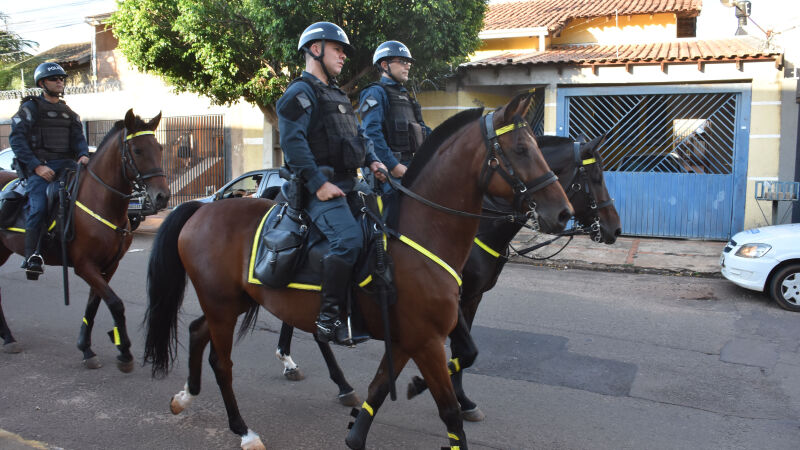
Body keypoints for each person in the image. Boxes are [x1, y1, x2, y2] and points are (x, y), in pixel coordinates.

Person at [276, 22, 387, 344]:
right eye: (337, 49)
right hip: (318, 190)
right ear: (315, 49)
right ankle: (328, 319)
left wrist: (372, 161)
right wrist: (317, 184)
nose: (342, 56)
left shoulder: (336, 94)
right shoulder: (300, 92)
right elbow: (293, 144)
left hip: (349, 186)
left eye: (342, 51)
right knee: (349, 241)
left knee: (382, 234)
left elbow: (355, 138)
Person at [9, 62, 90, 277]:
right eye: (55, 79)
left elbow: (79, 139)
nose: (60, 82)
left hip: (68, 168)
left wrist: (83, 154)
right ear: (42, 83)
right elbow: (16, 140)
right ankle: (32, 256)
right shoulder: (30, 108)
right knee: (40, 206)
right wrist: (36, 166)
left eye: (62, 79)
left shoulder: (69, 113)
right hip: (41, 170)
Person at [358, 40, 431, 192]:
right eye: (403, 61)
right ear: (385, 65)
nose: (408, 66)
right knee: (396, 212)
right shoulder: (376, 92)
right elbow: (371, 133)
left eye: (409, 63)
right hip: (388, 171)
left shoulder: (407, 96)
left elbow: (422, 130)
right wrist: (393, 165)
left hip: (412, 166)